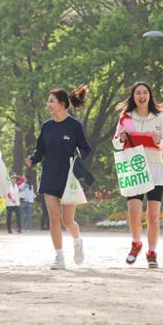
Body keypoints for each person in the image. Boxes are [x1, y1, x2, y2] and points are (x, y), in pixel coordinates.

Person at [26, 86, 92, 270]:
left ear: (62, 104)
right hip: (49, 176)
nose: (48, 104)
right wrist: (33, 158)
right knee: (54, 218)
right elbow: (40, 149)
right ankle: (59, 256)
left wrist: (79, 155)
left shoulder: (74, 125)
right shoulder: (46, 126)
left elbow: (86, 148)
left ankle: (77, 241)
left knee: (67, 220)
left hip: (69, 178)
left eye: (51, 101)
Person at [112, 81, 163, 268]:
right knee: (134, 214)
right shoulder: (126, 118)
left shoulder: (159, 116)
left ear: (149, 96)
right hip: (134, 168)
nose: (141, 96)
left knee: (153, 216)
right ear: (133, 97)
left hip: (155, 168)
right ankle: (136, 243)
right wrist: (120, 139)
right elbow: (116, 144)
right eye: (138, 92)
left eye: (145, 92)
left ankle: (152, 252)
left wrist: (158, 142)